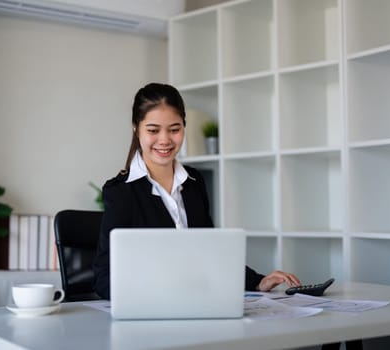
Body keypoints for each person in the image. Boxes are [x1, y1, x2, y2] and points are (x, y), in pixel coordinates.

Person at [92, 82, 301, 300]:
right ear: (136, 128)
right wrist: (154, 294)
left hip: (197, 303)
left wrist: (258, 281)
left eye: (174, 129)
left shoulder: (193, 182)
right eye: (153, 130)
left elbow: (209, 253)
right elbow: (103, 278)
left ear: (184, 127)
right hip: (153, 310)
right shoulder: (121, 192)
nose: (164, 140)